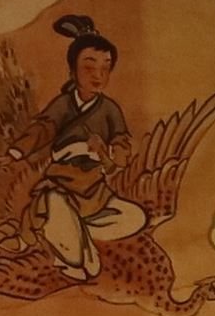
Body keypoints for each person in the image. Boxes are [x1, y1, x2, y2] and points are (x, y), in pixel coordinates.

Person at [29, 16, 148, 279]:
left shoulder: (110, 109)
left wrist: (105, 152)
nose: (98, 75)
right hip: (63, 185)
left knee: (136, 217)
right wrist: (14, 153)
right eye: (89, 66)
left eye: (106, 68)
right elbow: (42, 130)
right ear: (73, 70)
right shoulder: (62, 104)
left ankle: (75, 235)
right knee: (56, 207)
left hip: (96, 191)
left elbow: (121, 149)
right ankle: (76, 252)